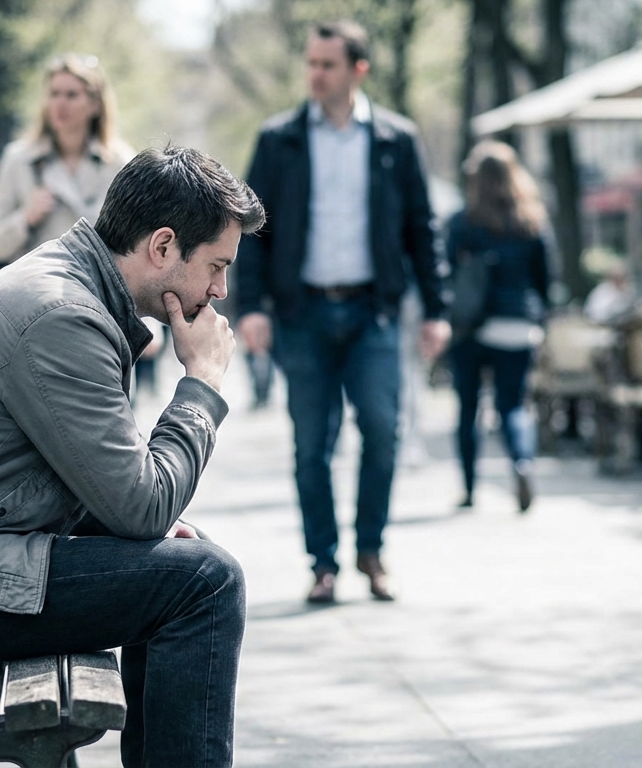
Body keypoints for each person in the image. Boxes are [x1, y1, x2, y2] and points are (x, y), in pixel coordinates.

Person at [0, 146, 265, 768]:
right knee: (204, 584)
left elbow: (110, 490)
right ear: (163, 247)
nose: (221, 290)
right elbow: (140, 509)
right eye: (217, 266)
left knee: (188, 561)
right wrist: (202, 384)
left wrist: (154, 522)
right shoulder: (65, 315)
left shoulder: (73, 285)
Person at [235, 20, 449, 604]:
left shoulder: (394, 140)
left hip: (373, 312)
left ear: (358, 70)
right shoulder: (279, 138)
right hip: (302, 315)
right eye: (310, 63)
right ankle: (323, 562)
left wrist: (437, 308)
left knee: (383, 431)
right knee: (313, 445)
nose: (315, 74)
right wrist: (250, 306)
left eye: (327, 65)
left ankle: (372, 551)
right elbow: (250, 231)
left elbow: (421, 228)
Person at [446, 141, 550, 513]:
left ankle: (470, 489)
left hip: (472, 327)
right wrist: (542, 321)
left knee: (468, 409)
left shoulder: (463, 221)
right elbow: (545, 281)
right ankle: (522, 462)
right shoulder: (531, 220)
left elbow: (446, 273)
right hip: (517, 325)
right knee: (513, 407)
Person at [0, 53, 133, 274]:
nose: (60, 104)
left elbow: (134, 246)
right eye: (54, 94)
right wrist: (26, 218)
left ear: (95, 104)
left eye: (72, 95)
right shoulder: (19, 159)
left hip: (96, 292)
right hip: (33, 288)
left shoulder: (120, 163)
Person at [583, 259, 634, 324]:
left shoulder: (629, 292)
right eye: (616, 277)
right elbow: (595, 313)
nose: (619, 280)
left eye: (622, 277)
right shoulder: (601, 291)